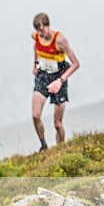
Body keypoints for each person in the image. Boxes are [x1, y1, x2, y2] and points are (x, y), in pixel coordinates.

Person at [31, 12, 80, 151]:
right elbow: (36, 45)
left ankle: (60, 149)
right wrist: (35, 63)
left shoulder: (60, 40)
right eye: (38, 31)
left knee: (57, 123)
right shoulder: (36, 36)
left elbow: (76, 64)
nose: (41, 34)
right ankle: (43, 145)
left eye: (42, 30)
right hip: (43, 76)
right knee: (35, 115)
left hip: (59, 76)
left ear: (48, 26)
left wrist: (60, 81)